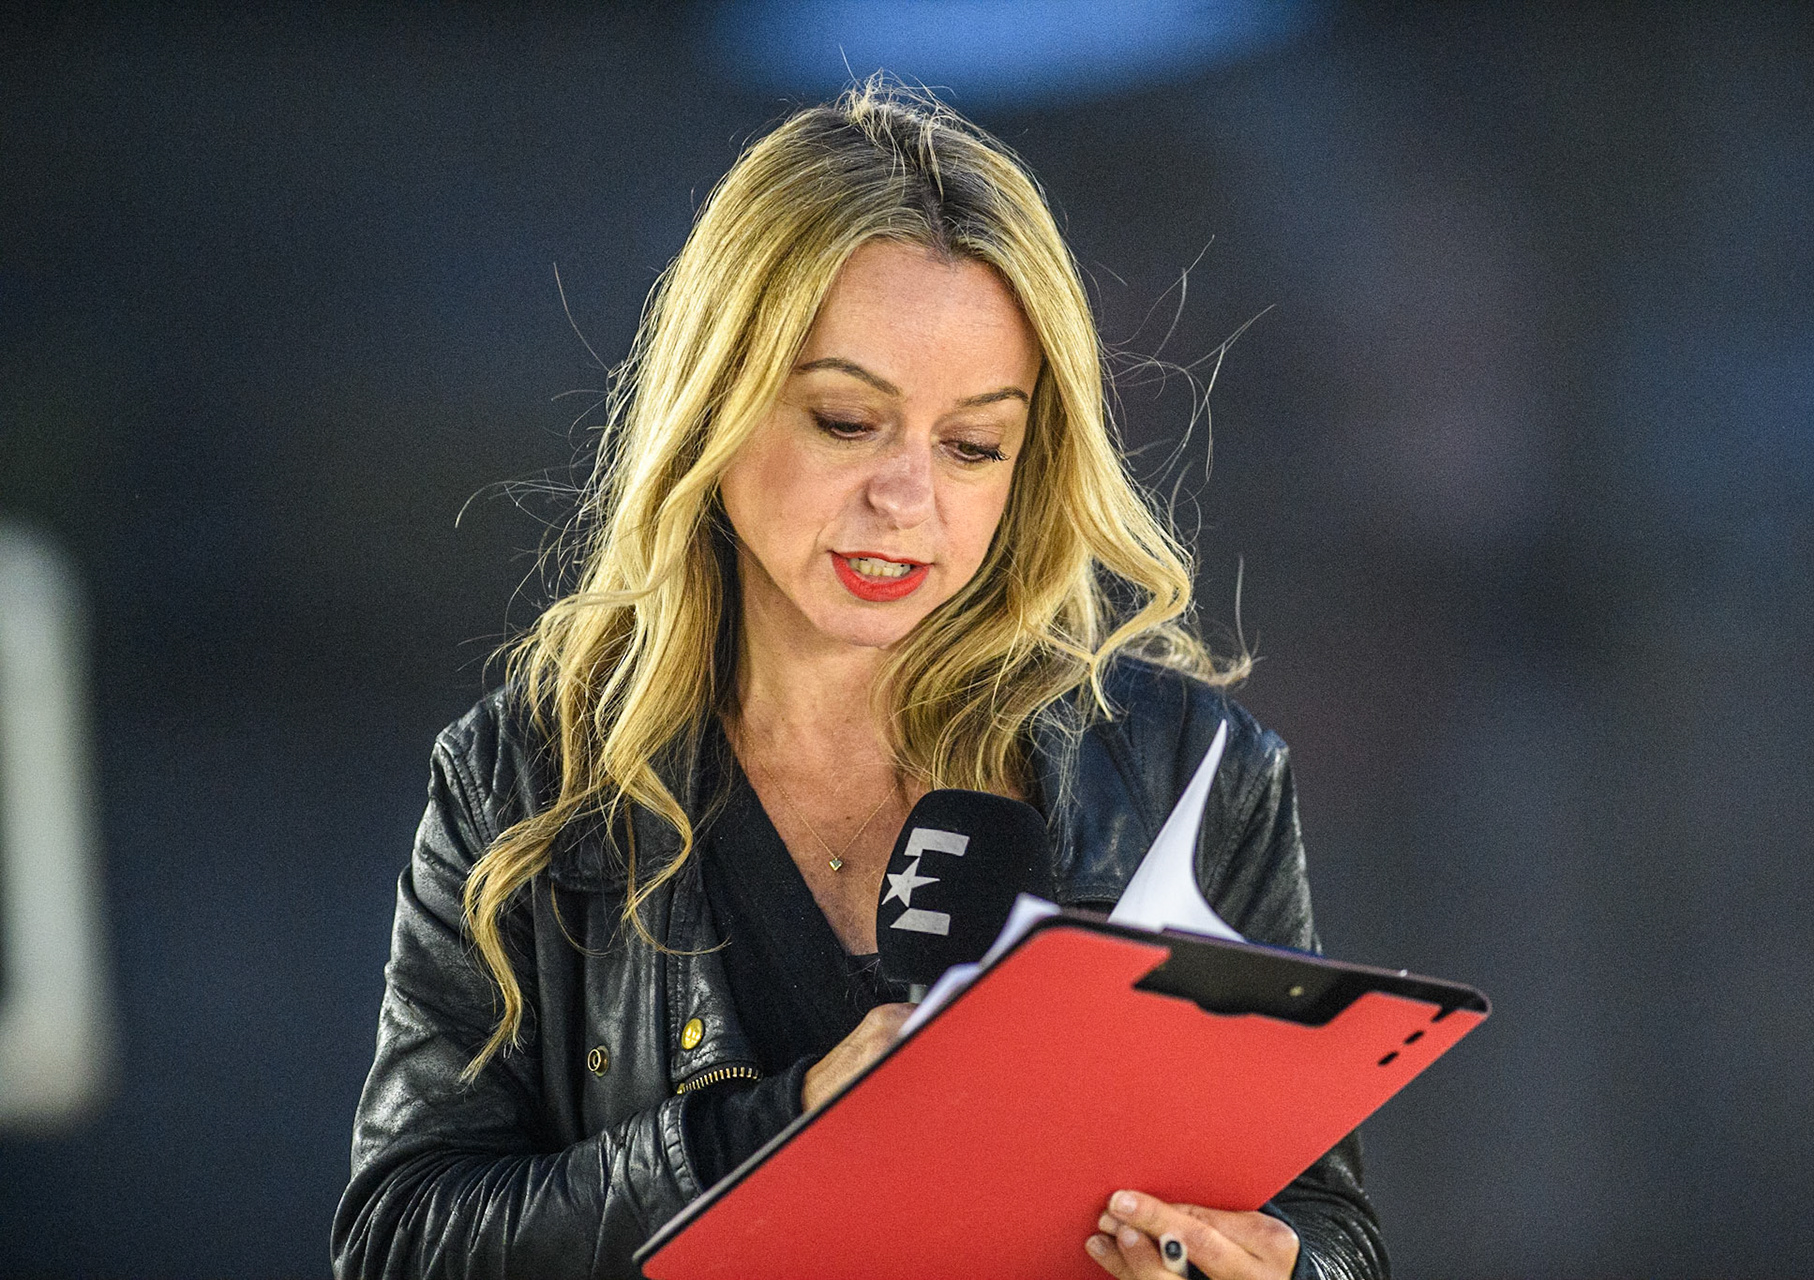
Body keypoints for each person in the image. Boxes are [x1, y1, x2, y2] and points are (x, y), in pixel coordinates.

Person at [333, 81, 1385, 1280]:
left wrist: (1255, 1270)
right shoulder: (523, 778)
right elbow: (399, 1239)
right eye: (846, 420)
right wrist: (775, 1127)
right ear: (716, 403)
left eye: (974, 445)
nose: (907, 498)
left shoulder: (1191, 771)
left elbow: (1329, 1229)